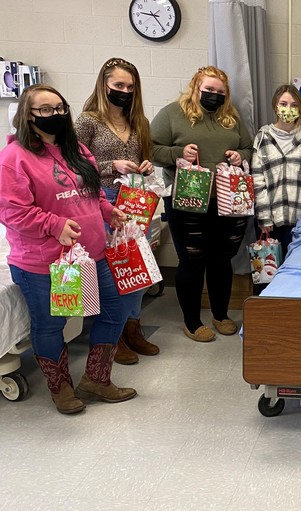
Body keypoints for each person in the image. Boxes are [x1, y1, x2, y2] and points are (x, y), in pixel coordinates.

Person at [0, 84, 137, 414]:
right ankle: (60, 387)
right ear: (27, 116)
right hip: (44, 261)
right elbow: (11, 210)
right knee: (50, 325)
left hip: (93, 252)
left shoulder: (75, 147)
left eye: (60, 108)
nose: (55, 115)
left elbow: (93, 192)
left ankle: (97, 379)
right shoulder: (14, 157)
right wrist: (53, 225)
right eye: (45, 110)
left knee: (115, 309)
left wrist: (109, 212)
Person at [151, 66, 253, 343]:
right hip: (187, 199)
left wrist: (238, 156)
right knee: (192, 261)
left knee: (222, 260)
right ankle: (192, 321)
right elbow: (150, 148)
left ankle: (220, 315)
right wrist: (178, 153)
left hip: (226, 200)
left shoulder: (231, 118)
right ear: (195, 87)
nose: (214, 96)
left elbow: (249, 148)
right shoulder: (172, 114)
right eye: (209, 90)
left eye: (220, 92)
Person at [75, 57, 159, 365]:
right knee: (113, 273)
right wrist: (111, 165)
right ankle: (115, 333)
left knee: (138, 268)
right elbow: (72, 166)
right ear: (104, 85)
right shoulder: (88, 121)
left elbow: (143, 158)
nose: (124, 91)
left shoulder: (139, 122)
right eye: (118, 85)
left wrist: (146, 166)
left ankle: (133, 328)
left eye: (130, 87)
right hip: (104, 201)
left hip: (135, 201)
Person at [251, 84, 301, 295]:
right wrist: (264, 219)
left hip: (298, 222)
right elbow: (257, 180)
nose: (288, 108)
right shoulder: (263, 139)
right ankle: (262, 316)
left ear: (300, 109)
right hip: (268, 221)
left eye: (293, 105)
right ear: (275, 106)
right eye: (283, 104)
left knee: (294, 272)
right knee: (265, 272)